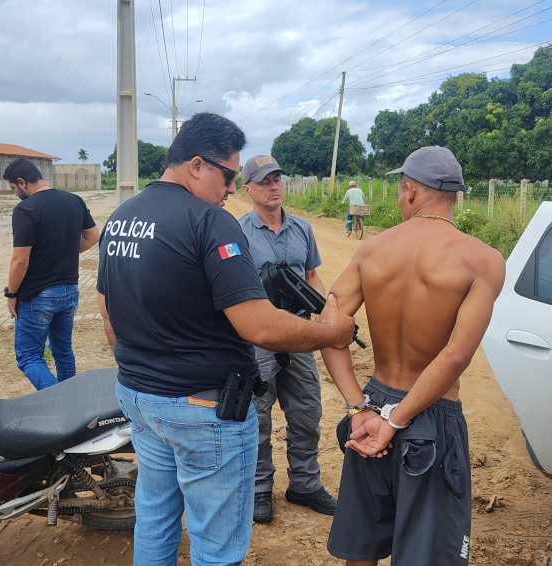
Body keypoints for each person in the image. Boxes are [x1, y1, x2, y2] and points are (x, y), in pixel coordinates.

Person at [96, 112, 355, 566]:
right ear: (197, 165)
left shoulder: (121, 218)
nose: (232, 189)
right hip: (202, 407)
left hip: (140, 395)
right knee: (215, 542)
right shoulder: (209, 222)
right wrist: (332, 333)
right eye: (229, 175)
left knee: (156, 517)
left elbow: (108, 310)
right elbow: (259, 326)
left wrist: (146, 365)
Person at [321, 146, 506, 565]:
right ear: (456, 196)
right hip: (430, 415)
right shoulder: (483, 260)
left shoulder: (372, 251)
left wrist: (359, 409)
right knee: (426, 555)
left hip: (371, 411)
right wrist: (397, 420)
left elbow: (329, 328)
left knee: (362, 548)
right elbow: (456, 356)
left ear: (408, 191)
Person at [237, 154, 336, 524]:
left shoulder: (303, 228)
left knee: (307, 411)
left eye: (277, 178)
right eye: (264, 181)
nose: (274, 185)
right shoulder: (238, 231)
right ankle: (260, 489)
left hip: (298, 334)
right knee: (258, 417)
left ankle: (305, 485)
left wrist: (323, 313)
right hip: (259, 338)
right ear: (247, 189)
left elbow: (312, 275)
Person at [3, 157, 99, 390]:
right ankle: (72, 407)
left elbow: (20, 261)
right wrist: (62, 251)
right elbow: (93, 236)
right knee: (63, 352)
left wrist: (11, 294)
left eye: (14, 189)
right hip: (69, 293)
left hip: (38, 296)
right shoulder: (74, 201)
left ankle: (59, 404)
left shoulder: (25, 209)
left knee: (28, 357)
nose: (15, 194)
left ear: (22, 182)